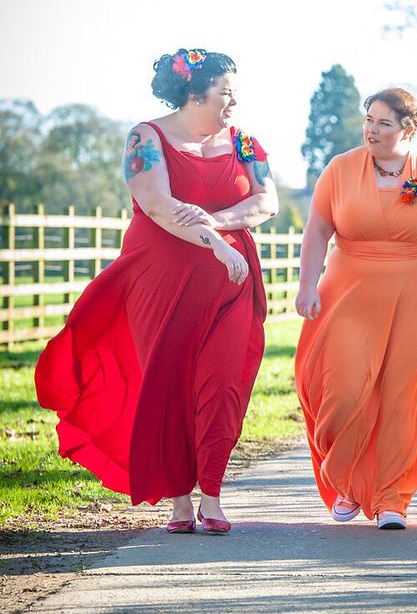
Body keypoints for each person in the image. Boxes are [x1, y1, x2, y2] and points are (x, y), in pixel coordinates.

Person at [36, 48, 276, 534]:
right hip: (161, 279)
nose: (234, 100)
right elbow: (158, 205)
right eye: (225, 92)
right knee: (168, 383)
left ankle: (211, 492)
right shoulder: (146, 137)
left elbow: (265, 200)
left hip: (230, 281)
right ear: (195, 93)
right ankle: (179, 502)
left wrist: (219, 225)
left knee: (223, 384)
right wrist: (215, 244)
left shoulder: (245, 142)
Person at [294, 87, 417, 530]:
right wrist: (307, 284)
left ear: (408, 129)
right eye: (368, 120)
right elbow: (316, 231)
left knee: (400, 397)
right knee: (344, 392)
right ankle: (348, 480)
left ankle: (392, 498)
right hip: (348, 291)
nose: (371, 129)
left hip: (416, 293)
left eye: (383, 123)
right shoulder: (340, 169)